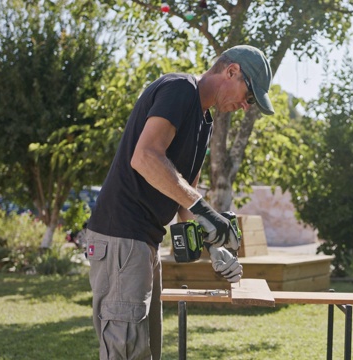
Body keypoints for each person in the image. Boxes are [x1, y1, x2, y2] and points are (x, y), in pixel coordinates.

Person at [84, 44, 275, 360]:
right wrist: (206, 212)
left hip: (144, 242)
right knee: (126, 352)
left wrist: (214, 248)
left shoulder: (204, 123)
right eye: (250, 95)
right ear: (231, 71)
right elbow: (144, 157)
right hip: (121, 236)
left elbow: (185, 197)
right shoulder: (179, 88)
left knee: (147, 351)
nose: (246, 105)